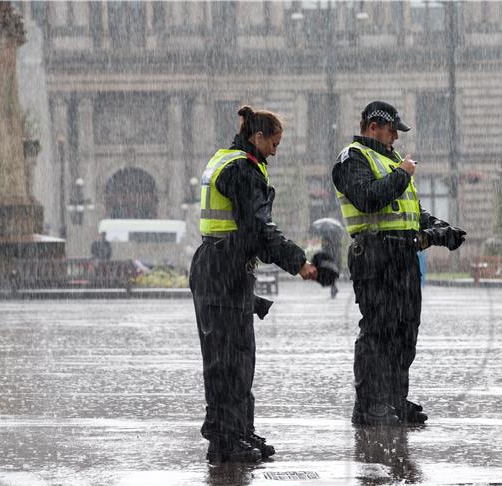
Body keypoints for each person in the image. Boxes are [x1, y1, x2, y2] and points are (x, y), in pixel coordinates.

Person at [190, 106, 318, 464]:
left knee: (239, 359)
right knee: (227, 362)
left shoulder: (228, 160)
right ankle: (225, 441)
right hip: (221, 270)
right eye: (274, 143)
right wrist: (299, 262)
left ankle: (240, 431)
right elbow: (260, 230)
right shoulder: (241, 170)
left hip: (221, 267)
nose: (276, 151)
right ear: (257, 137)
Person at [332, 101, 466, 426]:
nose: (396, 138)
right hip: (375, 254)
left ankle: (394, 399)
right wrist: (402, 174)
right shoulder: (353, 158)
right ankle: (369, 406)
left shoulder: (392, 161)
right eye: (393, 131)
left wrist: (442, 231)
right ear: (374, 127)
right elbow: (368, 198)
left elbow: (413, 213)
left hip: (404, 255)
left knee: (406, 331)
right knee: (378, 332)